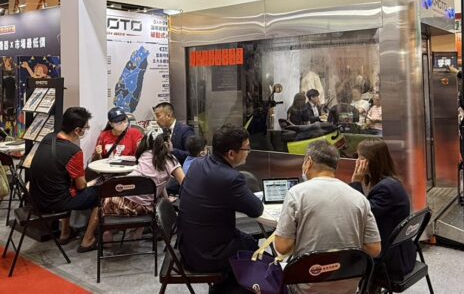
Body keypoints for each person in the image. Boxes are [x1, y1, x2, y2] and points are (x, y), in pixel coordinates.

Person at [274, 140, 381, 294]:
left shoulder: (296, 194)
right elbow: (374, 249)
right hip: (349, 288)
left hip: (306, 287)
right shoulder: (359, 198)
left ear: (308, 162)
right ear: (335, 166)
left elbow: (282, 247)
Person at [178, 123, 263, 294]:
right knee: (258, 252)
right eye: (247, 148)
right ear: (231, 154)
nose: (249, 151)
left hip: (187, 247)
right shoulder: (230, 178)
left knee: (248, 240)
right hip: (208, 256)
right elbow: (256, 209)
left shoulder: (198, 164)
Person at [27, 107, 100, 253]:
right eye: (86, 128)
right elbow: (81, 186)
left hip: (34, 199)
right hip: (54, 203)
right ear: (77, 130)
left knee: (65, 185)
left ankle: (65, 233)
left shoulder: (48, 138)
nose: (86, 131)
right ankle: (88, 240)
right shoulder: (74, 151)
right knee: (101, 194)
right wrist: (91, 183)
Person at [350, 138, 416, 287]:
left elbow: (362, 215)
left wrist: (356, 182)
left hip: (390, 261)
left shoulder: (385, 189)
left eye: (359, 157)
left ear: (369, 161)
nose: (356, 162)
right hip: (401, 253)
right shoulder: (391, 182)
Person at [101, 129, 185, 244]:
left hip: (113, 202)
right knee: (149, 202)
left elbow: (158, 182)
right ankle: (138, 231)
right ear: (166, 143)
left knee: (143, 193)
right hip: (140, 208)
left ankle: (108, 231)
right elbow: (185, 183)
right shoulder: (170, 160)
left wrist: (166, 200)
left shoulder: (144, 155)